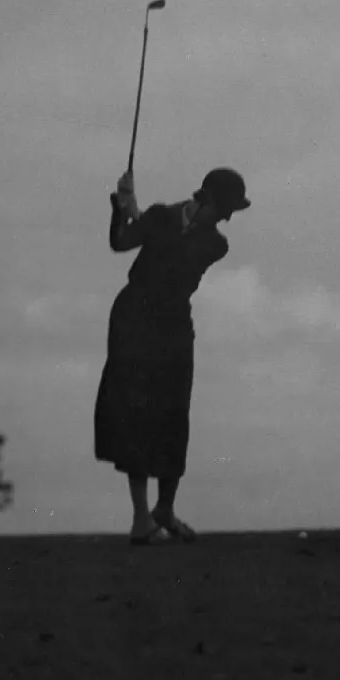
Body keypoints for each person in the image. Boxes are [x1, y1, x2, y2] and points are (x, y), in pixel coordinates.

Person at [94, 166, 251, 545]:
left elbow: (177, 260)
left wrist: (139, 212)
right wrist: (122, 208)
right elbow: (119, 242)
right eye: (226, 207)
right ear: (207, 198)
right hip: (133, 316)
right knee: (133, 409)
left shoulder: (216, 243)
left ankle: (164, 507)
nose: (229, 217)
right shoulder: (161, 215)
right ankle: (140, 518)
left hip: (173, 322)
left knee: (172, 412)